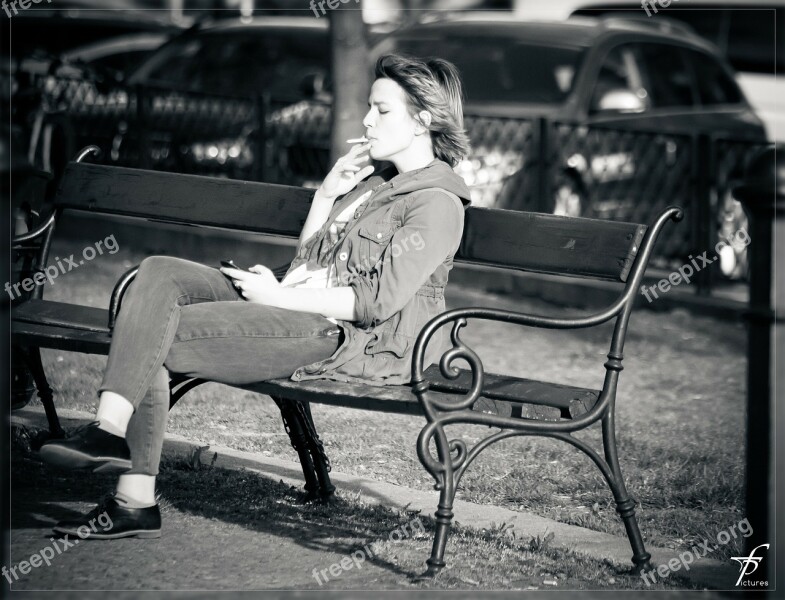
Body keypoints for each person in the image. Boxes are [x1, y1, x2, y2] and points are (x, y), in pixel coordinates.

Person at [39, 54, 472, 539]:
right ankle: (108, 431)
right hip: (293, 301)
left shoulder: (436, 204)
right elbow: (312, 260)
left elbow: (373, 303)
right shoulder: (372, 183)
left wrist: (278, 296)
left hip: (344, 337)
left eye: (382, 110)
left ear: (424, 120)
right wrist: (326, 197)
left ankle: (133, 497)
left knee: (154, 336)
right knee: (158, 272)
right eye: (369, 107)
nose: (367, 120)